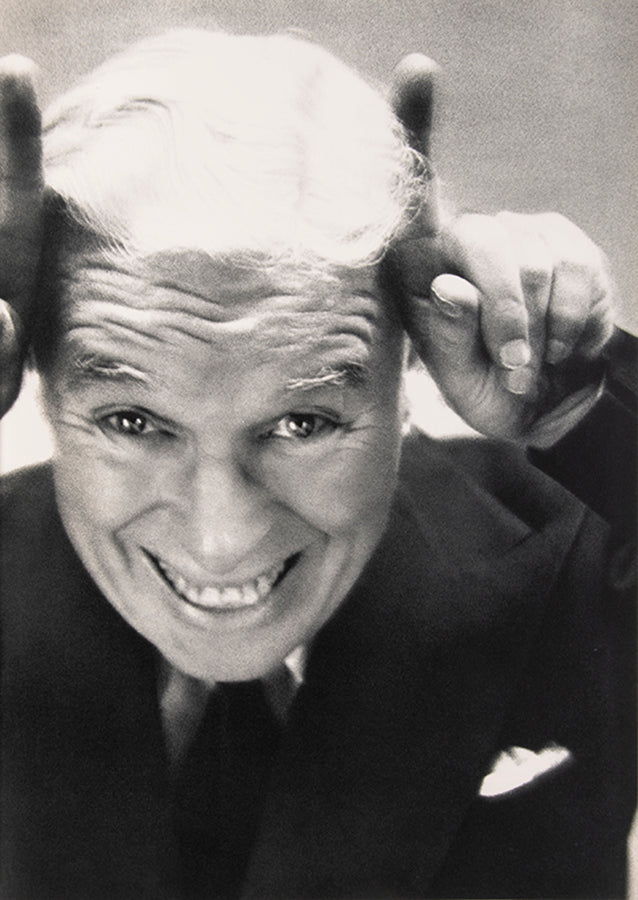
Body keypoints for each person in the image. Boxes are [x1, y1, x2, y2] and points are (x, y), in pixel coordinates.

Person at [0, 29, 635, 900]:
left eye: (303, 422)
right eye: (133, 421)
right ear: (41, 381)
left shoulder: (569, 559)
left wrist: (585, 406)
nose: (221, 540)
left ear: (407, 371)